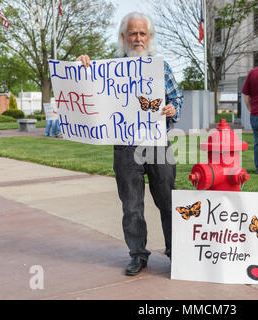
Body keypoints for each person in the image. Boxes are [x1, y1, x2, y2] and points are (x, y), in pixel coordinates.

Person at [76, 12, 183, 276]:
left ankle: (176, 253)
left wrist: (172, 109)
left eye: (142, 33)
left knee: (169, 202)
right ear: (123, 37)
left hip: (158, 144)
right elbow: (86, 90)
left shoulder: (161, 67)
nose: (138, 38)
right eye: (133, 33)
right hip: (125, 148)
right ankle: (137, 255)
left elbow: (177, 98)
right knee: (132, 206)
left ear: (150, 37)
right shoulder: (108, 69)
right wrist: (80, 66)